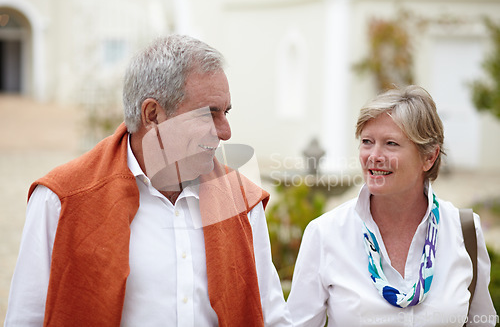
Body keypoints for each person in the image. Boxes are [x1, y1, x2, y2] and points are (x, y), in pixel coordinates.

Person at [5, 35, 291, 326]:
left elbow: (271, 317)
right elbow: (26, 319)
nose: (225, 132)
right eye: (209, 114)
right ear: (153, 114)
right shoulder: (62, 200)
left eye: (226, 112)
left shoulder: (242, 203)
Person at [287, 85, 497, 326]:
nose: (374, 155)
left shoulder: (465, 230)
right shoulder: (326, 233)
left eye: (391, 144)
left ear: (429, 157)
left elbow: (483, 321)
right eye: (367, 141)